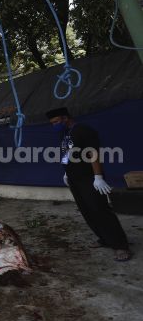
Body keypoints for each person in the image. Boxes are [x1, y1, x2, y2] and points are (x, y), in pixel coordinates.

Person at [46, 107, 131, 261]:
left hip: (88, 178)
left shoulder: (83, 130)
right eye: (52, 123)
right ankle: (104, 239)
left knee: (100, 210)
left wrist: (98, 176)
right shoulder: (65, 133)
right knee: (87, 211)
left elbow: (94, 153)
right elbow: (68, 154)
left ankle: (120, 246)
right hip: (74, 178)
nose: (55, 125)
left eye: (56, 121)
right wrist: (66, 172)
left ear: (66, 118)